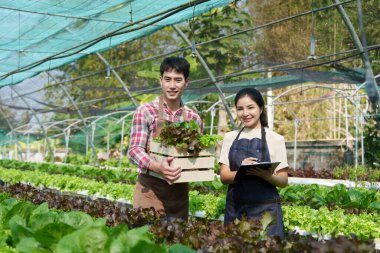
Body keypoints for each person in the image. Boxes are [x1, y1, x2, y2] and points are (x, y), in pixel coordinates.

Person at [127, 56, 202, 221]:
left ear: (186, 82)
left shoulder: (193, 118)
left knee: (176, 245)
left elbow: (197, 155)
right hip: (149, 192)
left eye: (178, 80)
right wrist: (157, 166)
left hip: (179, 195)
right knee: (146, 244)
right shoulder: (145, 111)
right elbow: (134, 151)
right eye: (167, 79)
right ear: (161, 81)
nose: (172, 85)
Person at [218, 87, 288, 238]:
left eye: (251, 107)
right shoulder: (230, 137)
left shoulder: (275, 139)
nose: (245, 113)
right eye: (240, 109)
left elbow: (283, 180)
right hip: (236, 208)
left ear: (261, 108)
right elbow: (224, 176)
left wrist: (267, 176)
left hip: (266, 210)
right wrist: (242, 171)